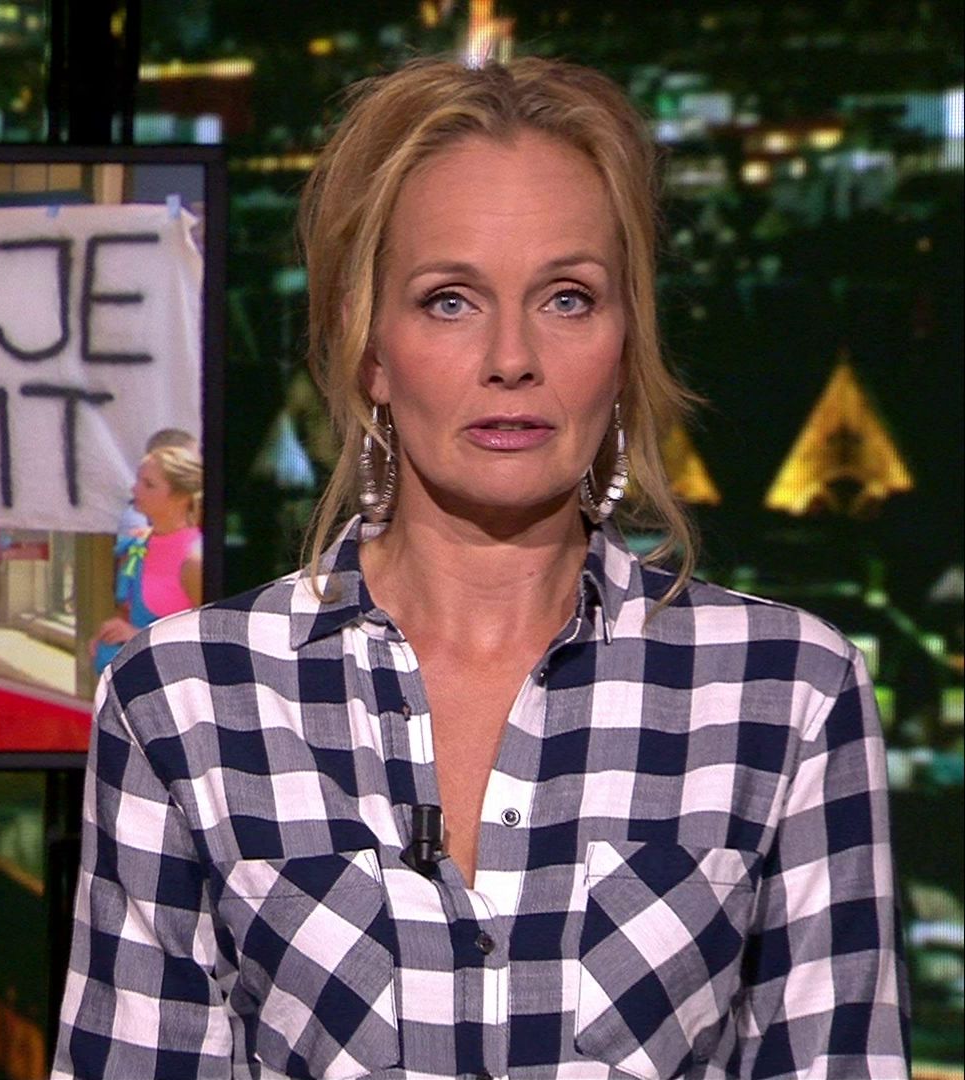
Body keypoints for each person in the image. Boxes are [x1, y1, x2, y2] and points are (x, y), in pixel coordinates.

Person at [54, 56, 906, 1080]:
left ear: (626, 340)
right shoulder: (181, 698)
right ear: (371, 349)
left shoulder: (788, 692)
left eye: (568, 298)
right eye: (450, 301)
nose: (512, 357)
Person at [89, 445, 203, 674]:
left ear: (181, 498)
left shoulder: (195, 559)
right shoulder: (135, 546)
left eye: (148, 484)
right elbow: (126, 613)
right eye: (138, 480)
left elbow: (212, 641)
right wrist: (108, 633)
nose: (135, 489)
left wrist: (138, 637)